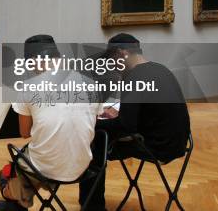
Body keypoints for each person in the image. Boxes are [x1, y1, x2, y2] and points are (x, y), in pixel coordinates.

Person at [79, 33, 191, 211]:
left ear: (121, 53)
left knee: (95, 143)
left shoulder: (133, 77)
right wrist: (119, 112)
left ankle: (93, 207)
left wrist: (91, 123)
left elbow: (125, 127)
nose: (113, 66)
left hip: (157, 147)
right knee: (101, 136)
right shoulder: (160, 69)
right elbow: (149, 111)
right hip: (178, 142)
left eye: (112, 60)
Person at [0, 35, 103, 211]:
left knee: (8, 172)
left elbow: (25, 132)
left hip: (46, 168)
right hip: (83, 166)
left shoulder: (28, 88)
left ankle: (13, 200)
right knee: (39, 157)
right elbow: (92, 124)